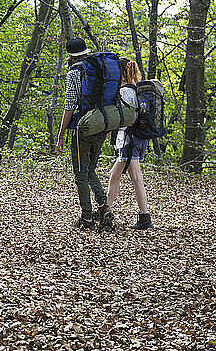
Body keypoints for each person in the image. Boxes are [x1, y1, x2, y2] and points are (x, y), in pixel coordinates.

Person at [57, 38, 114, 230]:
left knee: (81, 174)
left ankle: (87, 218)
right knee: (90, 170)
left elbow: (70, 106)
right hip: (102, 124)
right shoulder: (99, 68)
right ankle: (104, 208)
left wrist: (60, 133)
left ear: (70, 56)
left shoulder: (74, 73)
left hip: (84, 128)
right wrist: (110, 127)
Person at [105, 58, 153, 230]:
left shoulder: (126, 91)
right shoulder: (136, 89)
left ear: (122, 72)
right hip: (138, 139)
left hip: (129, 140)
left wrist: (114, 126)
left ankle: (144, 216)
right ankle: (106, 210)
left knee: (136, 179)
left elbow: (127, 117)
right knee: (114, 175)